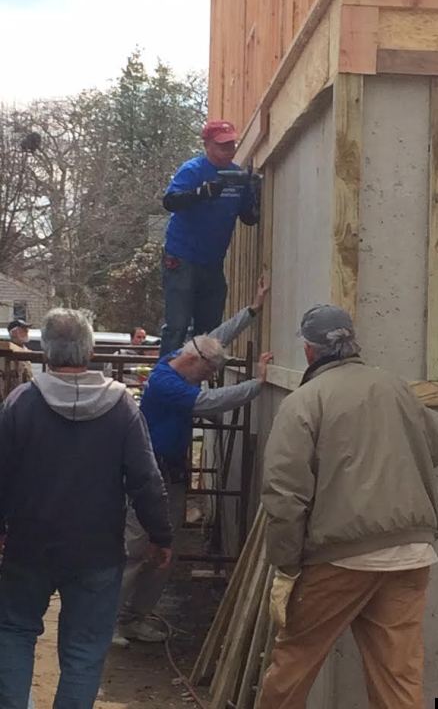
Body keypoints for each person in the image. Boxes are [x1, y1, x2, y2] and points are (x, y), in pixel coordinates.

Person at [259, 305, 438, 709]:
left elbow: (284, 493)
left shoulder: (305, 401)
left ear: (310, 352)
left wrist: (287, 566)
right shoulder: (395, 388)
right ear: (352, 343)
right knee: (397, 675)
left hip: (339, 559)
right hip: (409, 554)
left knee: (294, 663)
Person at [0, 308, 173, 709]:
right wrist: (161, 535)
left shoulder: (21, 403)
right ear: (90, 349)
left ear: (46, 351)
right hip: (97, 552)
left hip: (30, 546)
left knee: (15, 631)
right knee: (84, 650)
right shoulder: (122, 407)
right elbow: (146, 480)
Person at [115, 276, 273, 644]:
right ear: (192, 361)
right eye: (208, 372)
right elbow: (210, 403)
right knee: (137, 548)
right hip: (148, 475)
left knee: (164, 549)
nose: (208, 379)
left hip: (172, 472)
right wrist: (258, 385)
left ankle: (137, 616)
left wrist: (252, 310)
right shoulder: (165, 383)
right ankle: (112, 620)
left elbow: (214, 339)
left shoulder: (179, 359)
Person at [160, 119, 260, 357]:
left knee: (209, 329)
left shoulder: (237, 177)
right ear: (207, 145)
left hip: (212, 262)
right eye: (222, 145)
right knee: (177, 324)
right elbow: (170, 201)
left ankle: (199, 382)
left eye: (232, 144)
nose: (229, 150)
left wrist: (255, 193)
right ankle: (165, 380)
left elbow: (249, 218)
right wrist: (201, 193)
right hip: (181, 258)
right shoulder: (193, 170)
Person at [6, 319, 34, 393]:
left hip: (24, 392)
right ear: (13, 333)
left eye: (27, 329)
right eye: (23, 329)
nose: (27, 331)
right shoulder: (7, 351)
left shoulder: (27, 351)